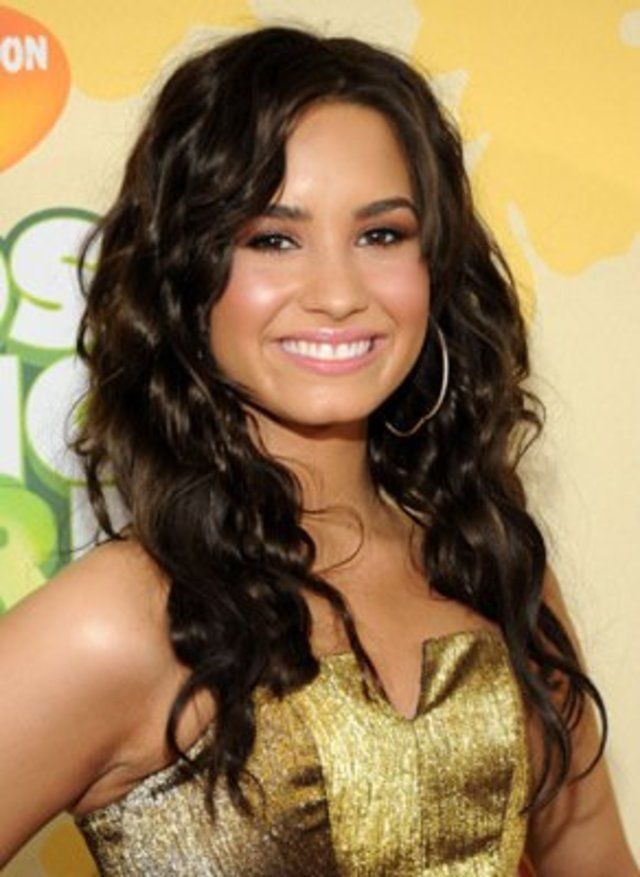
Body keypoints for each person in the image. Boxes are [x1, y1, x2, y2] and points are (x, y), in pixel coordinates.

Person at [0, 24, 636, 876]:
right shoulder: (116, 621)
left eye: (382, 234)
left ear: (436, 267)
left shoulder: (493, 568)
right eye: (272, 238)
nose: (338, 293)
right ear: (186, 274)